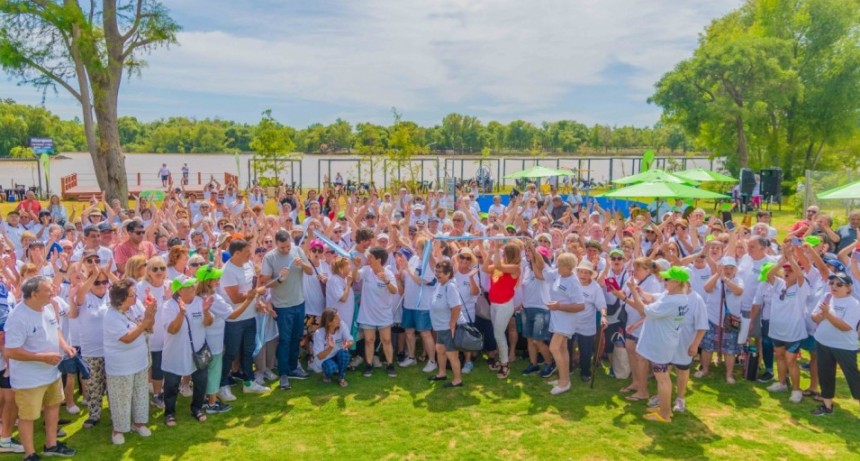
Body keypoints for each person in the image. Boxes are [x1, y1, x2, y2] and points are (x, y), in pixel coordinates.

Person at [5, 276, 77, 459]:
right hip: (29, 380)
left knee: (53, 406)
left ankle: (51, 445)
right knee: (28, 416)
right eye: (47, 289)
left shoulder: (46, 307)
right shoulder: (17, 318)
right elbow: (11, 351)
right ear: (34, 294)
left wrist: (64, 346)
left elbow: (56, 329)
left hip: (51, 373)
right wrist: (43, 357)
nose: (52, 291)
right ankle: (30, 454)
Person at [630, 266, 690, 423]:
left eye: (668, 279)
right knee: (661, 378)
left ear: (677, 282)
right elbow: (653, 298)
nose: (665, 281)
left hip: (661, 345)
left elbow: (644, 310)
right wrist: (641, 291)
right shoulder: (675, 296)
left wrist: (633, 292)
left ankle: (665, 414)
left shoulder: (672, 301)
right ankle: (664, 408)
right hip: (663, 343)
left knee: (662, 378)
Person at [196, 264, 257, 412]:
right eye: (215, 278)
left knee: (204, 371)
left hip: (201, 341)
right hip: (214, 341)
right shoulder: (213, 298)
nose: (218, 280)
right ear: (208, 281)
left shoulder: (197, 296)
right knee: (214, 371)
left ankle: (205, 399)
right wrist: (248, 300)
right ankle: (212, 403)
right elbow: (233, 315)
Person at [258, 230, 313, 390]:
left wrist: (302, 264)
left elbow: (310, 271)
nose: (286, 250)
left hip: (299, 302)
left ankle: (293, 367)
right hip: (282, 306)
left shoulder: (297, 250)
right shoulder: (270, 257)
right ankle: (283, 373)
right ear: (276, 244)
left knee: (296, 337)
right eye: (282, 247)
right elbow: (266, 283)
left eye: (287, 246)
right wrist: (280, 279)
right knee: (285, 340)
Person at [103, 279, 155, 445]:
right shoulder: (111, 316)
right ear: (120, 298)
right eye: (132, 295)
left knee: (140, 393)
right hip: (121, 366)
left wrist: (151, 313)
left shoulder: (134, 307)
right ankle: (118, 430)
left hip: (139, 361)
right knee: (121, 398)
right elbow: (127, 338)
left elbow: (149, 327)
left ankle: (138, 424)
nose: (135, 298)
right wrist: (144, 323)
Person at [218, 239, 269, 397]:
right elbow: (235, 298)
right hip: (234, 320)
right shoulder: (227, 271)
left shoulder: (248, 264)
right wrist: (254, 294)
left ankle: (249, 382)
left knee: (248, 351)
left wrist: (257, 302)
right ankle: (222, 385)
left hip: (250, 316)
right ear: (237, 253)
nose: (250, 255)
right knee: (231, 353)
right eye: (247, 253)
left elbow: (252, 288)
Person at [162, 275, 213, 426]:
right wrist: (181, 313)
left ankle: (196, 408)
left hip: (198, 352)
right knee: (171, 385)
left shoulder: (199, 302)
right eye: (188, 286)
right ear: (179, 291)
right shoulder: (168, 306)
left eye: (192, 285)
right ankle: (169, 413)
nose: (192, 288)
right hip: (175, 353)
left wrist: (206, 311)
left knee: (201, 382)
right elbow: (172, 329)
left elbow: (209, 323)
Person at [809, 272, 860, 415]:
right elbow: (814, 317)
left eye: (839, 284)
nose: (834, 286)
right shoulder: (826, 297)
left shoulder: (854, 304)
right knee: (825, 374)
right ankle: (827, 406)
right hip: (823, 342)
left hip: (844, 346)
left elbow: (845, 327)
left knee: (853, 377)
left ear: (848, 288)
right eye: (831, 283)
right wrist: (820, 315)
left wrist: (827, 314)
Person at [352, 246, 399, 378]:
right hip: (367, 313)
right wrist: (355, 267)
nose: (368, 259)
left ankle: (390, 365)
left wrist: (386, 280)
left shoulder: (388, 273)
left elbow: (394, 291)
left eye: (371, 257)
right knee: (369, 340)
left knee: (386, 340)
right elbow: (355, 278)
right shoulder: (366, 270)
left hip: (384, 313)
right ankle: (368, 365)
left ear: (378, 260)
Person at [479, 241, 522, 379]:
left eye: (505, 252)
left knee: (498, 334)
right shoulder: (501, 266)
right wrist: (491, 253)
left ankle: (505, 364)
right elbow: (485, 268)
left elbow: (498, 266)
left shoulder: (515, 267)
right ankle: (502, 359)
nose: (503, 253)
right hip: (495, 304)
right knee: (499, 333)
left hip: (504, 305)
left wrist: (496, 251)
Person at [545, 255, 586, 395]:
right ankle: (564, 379)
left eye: (560, 265)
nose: (557, 267)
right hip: (558, 317)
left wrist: (559, 306)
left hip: (566, 319)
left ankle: (564, 383)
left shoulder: (574, 283)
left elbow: (581, 306)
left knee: (554, 347)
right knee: (562, 349)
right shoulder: (561, 276)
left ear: (568, 267)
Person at [427, 260, 465, 387]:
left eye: (440, 272)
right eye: (436, 272)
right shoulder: (440, 284)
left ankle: (457, 380)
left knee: (452, 354)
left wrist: (452, 324)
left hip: (448, 327)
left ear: (448, 274)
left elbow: (456, 307)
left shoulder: (450, 286)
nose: (437, 275)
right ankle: (442, 373)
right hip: (441, 327)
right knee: (440, 349)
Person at [313, 308, 353, 387]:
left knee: (344, 353)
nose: (339, 320)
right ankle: (327, 375)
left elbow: (350, 339)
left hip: (337, 355)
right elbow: (319, 356)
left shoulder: (342, 325)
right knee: (331, 368)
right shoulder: (319, 333)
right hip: (324, 359)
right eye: (336, 319)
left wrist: (347, 344)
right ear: (329, 322)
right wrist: (330, 348)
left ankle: (341, 378)